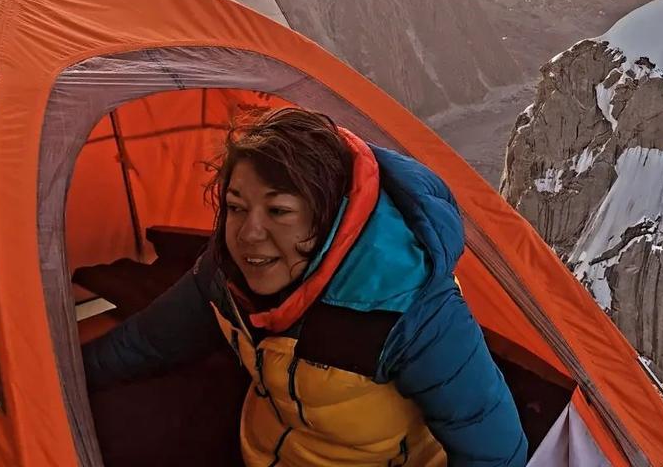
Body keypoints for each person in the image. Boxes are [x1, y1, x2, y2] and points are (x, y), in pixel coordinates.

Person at [83, 107, 528, 467]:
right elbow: (148, 342)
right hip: (262, 447)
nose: (248, 234)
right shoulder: (225, 272)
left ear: (329, 215)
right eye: (236, 207)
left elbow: (495, 451)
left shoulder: (409, 308)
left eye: (278, 212)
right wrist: (57, 376)